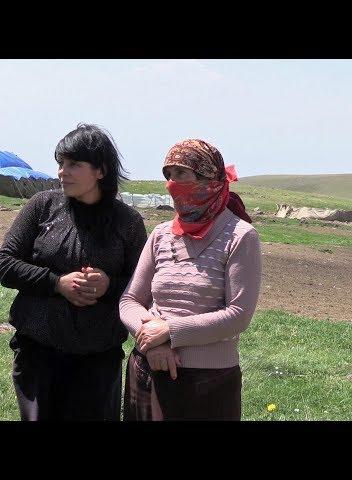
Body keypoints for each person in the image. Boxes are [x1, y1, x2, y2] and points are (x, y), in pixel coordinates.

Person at [0, 123, 147, 420]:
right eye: (60, 164)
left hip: (98, 357)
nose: (61, 172)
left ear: (100, 171)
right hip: (38, 351)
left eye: (73, 164)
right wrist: (57, 283)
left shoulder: (127, 222)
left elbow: (144, 283)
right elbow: (5, 263)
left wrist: (109, 285)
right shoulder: (42, 206)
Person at [120, 138, 261, 421]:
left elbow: (238, 315)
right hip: (148, 370)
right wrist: (154, 342)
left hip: (207, 383)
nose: (172, 183)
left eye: (181, 174)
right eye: (168, 176)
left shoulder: (240, 236)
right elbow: (130, 300)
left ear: (209, 179)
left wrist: (170, 331)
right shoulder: (160, 234)